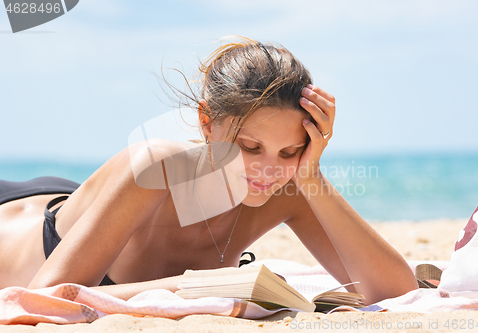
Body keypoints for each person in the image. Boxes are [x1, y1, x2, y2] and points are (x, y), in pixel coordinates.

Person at [0, 36, 418, 305]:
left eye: (291, 150)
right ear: (207, 122)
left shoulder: (288, 185)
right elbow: (38, 299)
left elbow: (397, 293)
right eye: (249, 147)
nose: (268, 170)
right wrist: (186, 287)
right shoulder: (157, 166)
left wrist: (310, 177)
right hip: (16, 219)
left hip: (98, 204)